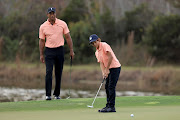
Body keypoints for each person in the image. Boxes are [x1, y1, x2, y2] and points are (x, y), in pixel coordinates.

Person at [39, 7, 74, 100]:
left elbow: (68, 37)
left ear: (55, 14)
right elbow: (42, 41)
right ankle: (48, 95)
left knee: (58, 72)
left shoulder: (62, 24)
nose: (52, 15)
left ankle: (57, 94)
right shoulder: (43, 26)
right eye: (50, 13)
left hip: (59, 50)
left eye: (53, 13)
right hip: (49, 51)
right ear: (47, 15)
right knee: (48, 72)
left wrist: (71, 50)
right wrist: (41, 54)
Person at [89, 34, 121, 112]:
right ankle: (108, 105)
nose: (94, 44)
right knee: (107, 87)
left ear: (98, 40)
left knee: (111, 87)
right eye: (92, 43)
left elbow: (110, 57)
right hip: (108, 69)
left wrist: (107, 69)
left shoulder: (104, 45)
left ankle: (112, 107)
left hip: (115, 68)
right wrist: (104, 72)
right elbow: (101, 63)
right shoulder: (97, 52)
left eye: (94, 42)